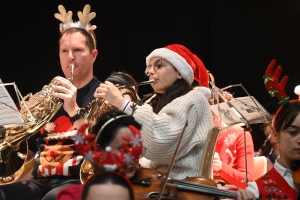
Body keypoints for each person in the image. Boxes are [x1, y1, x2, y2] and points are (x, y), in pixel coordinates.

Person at [0, 5, 100, 200]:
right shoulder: (48, 94)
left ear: (93, 55)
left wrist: (74, 110)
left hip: (80, 179)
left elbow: (100, 150)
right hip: (41, 180)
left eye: (78, 50)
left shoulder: (105, 94)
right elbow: (29, 154)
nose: (70, 57)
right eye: (64, 51)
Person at [95, 44, 214, 179]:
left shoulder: (194, 98)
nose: (151, 71)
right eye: (149, 67)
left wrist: (121, 102)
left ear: (180, 72)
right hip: (163, 181)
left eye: (159, 65)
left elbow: (161, 141)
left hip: (179, 186)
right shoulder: (174, 102)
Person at [57, 109, 142, 200]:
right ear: (99, 151)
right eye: (124, 149)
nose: (134, 157)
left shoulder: (150, 184)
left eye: (136, 148)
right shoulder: (71, 196)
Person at [209, 91, 255, 189]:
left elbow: (247, 181)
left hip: (229, 194)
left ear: (216, 116)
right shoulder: (201, 136)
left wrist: (221, 167)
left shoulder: (241, 135)